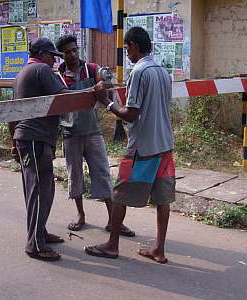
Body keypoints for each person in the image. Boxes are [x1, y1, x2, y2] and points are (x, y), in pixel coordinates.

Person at [85, 27, 176, 263]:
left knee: (119, 193)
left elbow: (131, 114)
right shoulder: (163, 72)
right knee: (162, 199)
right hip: (164, 144)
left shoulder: (139, 72)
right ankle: (159, 249)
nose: (127, 53)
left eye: (127, 48)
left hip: (142, 147)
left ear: (134, 46)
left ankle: (112, 245)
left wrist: (105, 101)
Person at [55, 34, 134, 237]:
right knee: (75, 176)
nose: (72, 54)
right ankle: (81, 215)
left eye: (74, 50)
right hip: (70, 133)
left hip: (93, 131)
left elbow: (105, 78)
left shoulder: (91, 69)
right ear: (61, 55)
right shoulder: (59, 77)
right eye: (67, 52)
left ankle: (113, 220)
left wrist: (104, 82)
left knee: (102, 174)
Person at [10, 38, 68, 262]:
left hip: (26, 137)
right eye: (52, 55)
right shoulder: (42, 70)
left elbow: (10, 112)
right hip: (35, 137)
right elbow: (64, 96)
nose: (54, 60)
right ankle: (35, 243)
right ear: (42, 54)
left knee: (38, 188)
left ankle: (39, 231)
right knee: (40, 189)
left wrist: (13, 141)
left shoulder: (21, 74)